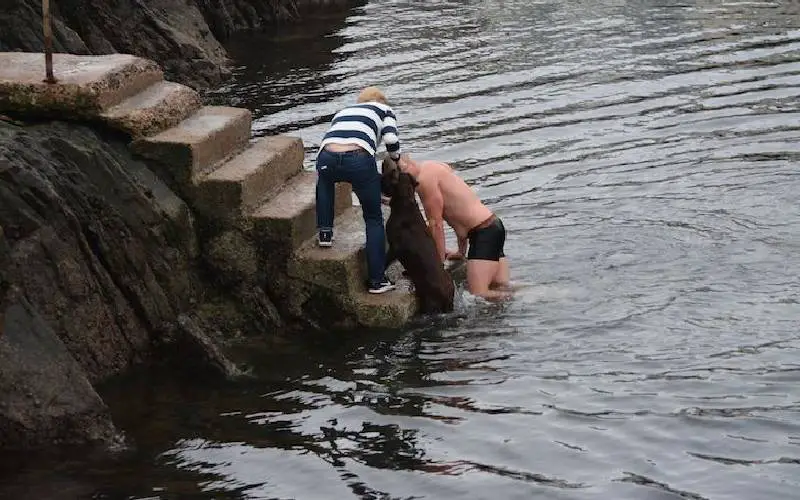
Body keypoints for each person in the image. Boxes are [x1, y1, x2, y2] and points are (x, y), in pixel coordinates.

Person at [315, 86, 402, 294]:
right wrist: (396, 159)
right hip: (359, 160)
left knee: (325, 183)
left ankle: (325, 234)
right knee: (373, 218)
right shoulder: (384, 110)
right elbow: (391, 140)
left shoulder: (344, 111)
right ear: (382, 101)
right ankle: (377, 281)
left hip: (326, 156)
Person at [395, 154, 512, 301]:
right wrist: (461, 251)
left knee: (479, 294)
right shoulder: (433, 166)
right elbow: (457, 213)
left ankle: (535, 296)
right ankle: (531, 292)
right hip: (493, 226)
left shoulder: (424, 183)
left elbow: (436, 225)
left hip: (483, 234)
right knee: (501, 286)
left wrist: (437, 262)